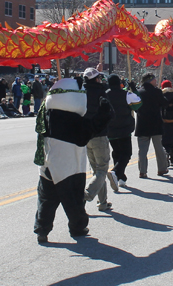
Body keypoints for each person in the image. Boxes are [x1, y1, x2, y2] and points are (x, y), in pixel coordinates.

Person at [34, 78, 112, 243]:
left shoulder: (46, 114)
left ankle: (42, 229)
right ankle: (77, 227)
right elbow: (86, 133)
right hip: (68, 166)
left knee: (46, 199)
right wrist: (105, 112)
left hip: (47, 164)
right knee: (73, 200)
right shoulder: (71, 119)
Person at [83, 66, 113, 212]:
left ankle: (103, 202)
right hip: (99, 135)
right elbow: (109, 112)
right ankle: (86, 194)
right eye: (99, 77)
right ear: (96, 79)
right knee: (102, 169)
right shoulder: (101, 93)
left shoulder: (81, 92)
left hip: (86, 136)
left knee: (97, 170)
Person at [105, 74, 142, 190]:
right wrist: (134, 89)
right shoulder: (126, 94)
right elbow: (138, 104)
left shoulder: (105, 95)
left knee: (117, 153)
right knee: (126, 154)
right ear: (120, 84)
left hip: (110, 129)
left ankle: (121, 178)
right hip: (124, 129)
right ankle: (116, 172)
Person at [135, 73, 169, 178]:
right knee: (158, 148)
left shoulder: (138, 93)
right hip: (155, 124)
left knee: (143, 150)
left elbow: (135, 107)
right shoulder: (157, 92)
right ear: (150, 81)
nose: (156, 81)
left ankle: (142, 171)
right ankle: (162, 169)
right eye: (154, 79)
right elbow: (165, 103)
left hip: (142, 124)